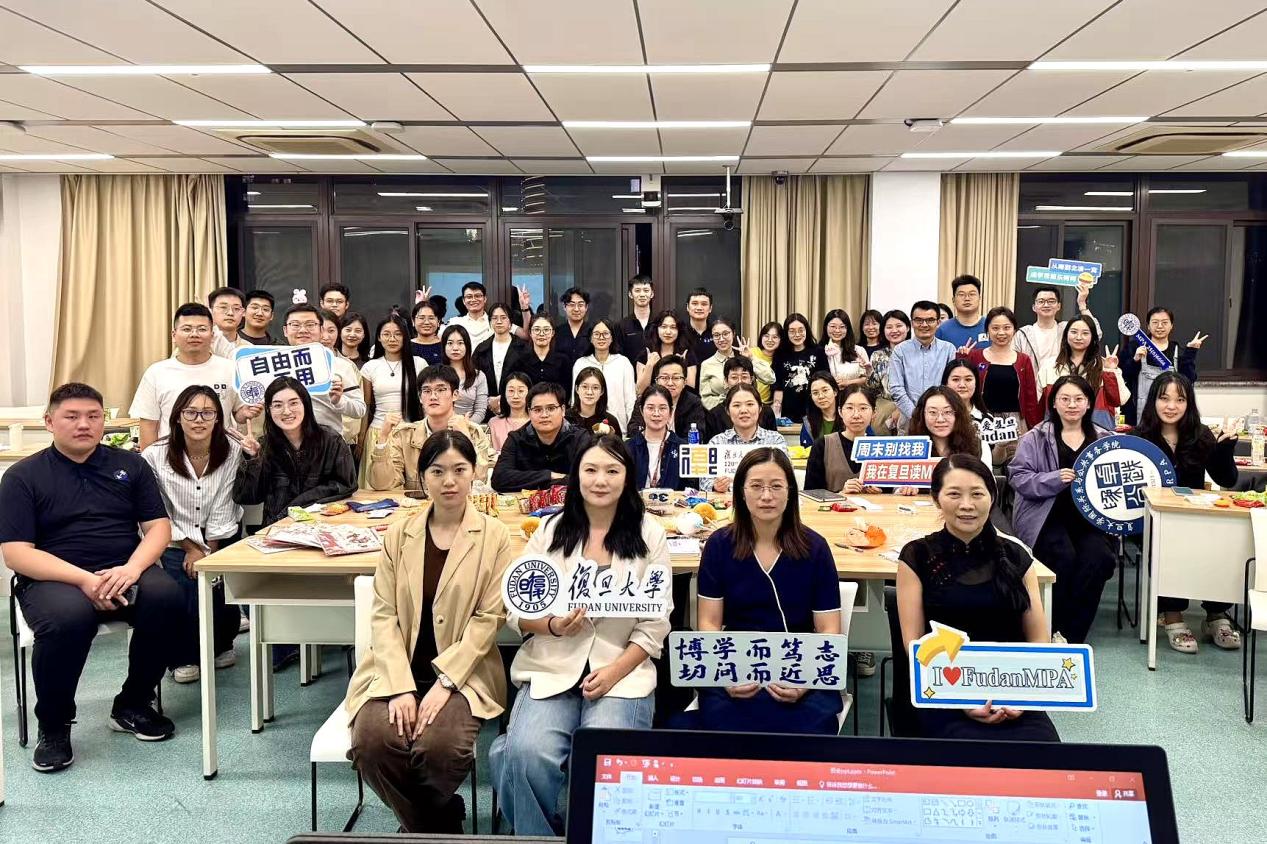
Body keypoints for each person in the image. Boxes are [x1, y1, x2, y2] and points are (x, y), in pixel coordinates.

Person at [491, 435, 672, 836]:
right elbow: (516, 608)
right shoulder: (550, 530)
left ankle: (596, 836)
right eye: (590, 470)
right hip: (553, 665)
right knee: (523, 754)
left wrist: (615, 671)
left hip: (621, 672)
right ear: (576, 475)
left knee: (607, 758)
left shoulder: (650, 534)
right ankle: (541, 839)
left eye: (612, 471)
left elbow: (655, 624)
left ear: (628, 477)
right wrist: (551, 624)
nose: (600, 480)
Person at [0, 383, 183, 770]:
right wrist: (85, 580)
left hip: (122, 569)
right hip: (54, 578)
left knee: (167, 596)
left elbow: (158, 528)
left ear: (103, 421)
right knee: (69, 618)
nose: (84, 424)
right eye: (72, 416)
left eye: (93, 416)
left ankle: (133, 703)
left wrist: (131, 569)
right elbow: (16, 553)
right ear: (49, 422)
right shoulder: (22, 476)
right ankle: (54, 726)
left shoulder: (131, 465)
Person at [346, 429, 513, 834]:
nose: (449, 481)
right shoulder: (399, 534)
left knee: (440, 749)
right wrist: (400, 686)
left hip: (464, 673)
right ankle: (439, 823)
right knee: (372, 744)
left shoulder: (495, 536)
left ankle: (418, 829)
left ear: (475, 473)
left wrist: (445, 682)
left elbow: (488, 618)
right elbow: (384, 614)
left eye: (459, 470)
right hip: (396, 667)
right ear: (422, 477)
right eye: (437, 471)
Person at [897, 454, 1059, 742]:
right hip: (942, 690)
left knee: (1045, 753)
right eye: (954, 494)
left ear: (992, 497)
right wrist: (962, 698)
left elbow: (1038, 639)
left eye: (977, 494)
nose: (967, 505)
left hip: (1013, 690)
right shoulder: (917, 556)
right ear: (936, 499)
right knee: (962, 753)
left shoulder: (1017, 556)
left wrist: (1019, 697)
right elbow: (914, 644)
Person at [687, 447, 843, 734]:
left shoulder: (815, 547)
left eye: (776, 486)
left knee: (808, 733)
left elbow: (828, 629)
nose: (766, 496)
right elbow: (708, 622)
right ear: (741, 492)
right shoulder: (719, 545)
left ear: (790, 492)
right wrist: (727, 673)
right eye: (756, 486)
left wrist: (805, 680)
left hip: (799, 666)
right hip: (736, 666)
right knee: (725, 729)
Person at [140, 386, 243, 684]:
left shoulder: (232, 450)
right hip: (173, 537)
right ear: (177, 417)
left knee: (221, 586)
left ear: (218, 418)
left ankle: (222, 643)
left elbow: (225, 501)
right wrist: (190, 547)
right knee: (182, 590)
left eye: (208, 413)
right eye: (191, 413)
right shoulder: (154, 455)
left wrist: (209, 551)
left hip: (219, 534)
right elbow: (157, 509)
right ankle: (182, 655)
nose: (199, 420)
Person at [1133, 372, 1240, 653]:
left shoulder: (1201, 434)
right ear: (1153, 401)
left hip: (1195, 519)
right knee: (1165, 544)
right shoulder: (1139, 437)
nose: (1171, 406)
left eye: (1179, 400)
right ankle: (1173, 616)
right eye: (1164, 398)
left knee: (1223, 543)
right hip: (1152, 521)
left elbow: (1226, 479)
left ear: (1188, 403)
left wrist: (1225, 449)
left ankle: (1216, 614)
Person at [1008, 375, 1115, 643]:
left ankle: (1070, 635)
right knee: (1062, 557)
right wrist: (1052, 479)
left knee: (1099, 558)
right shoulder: (1035, 437)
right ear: (1053, 403)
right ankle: (1049, 628)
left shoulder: (1105, 439)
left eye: (1079, 399)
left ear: (1089, 403)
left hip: (1090, 520)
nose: (1072, 405)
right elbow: (1018, 477)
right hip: (1045, 516)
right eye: (1064, 399)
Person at [232, 378, 357, 527]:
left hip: (322, 527)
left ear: (306, 404)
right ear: (268, 410)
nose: (286, 411)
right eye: (277, 405)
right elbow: (246, 498)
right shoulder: (264, 445)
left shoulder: (331, 440)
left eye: (294, 403)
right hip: (277, 529)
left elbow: (347, 485)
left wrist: (298, 503)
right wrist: (253, 459)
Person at [131, 302, 255, 450]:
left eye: (202, 329)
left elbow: (238, 414)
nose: (194, 334)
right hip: (170, 458)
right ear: (174, 335)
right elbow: (149, 425)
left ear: (212, 335)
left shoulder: (231, 369)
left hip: (222, 456)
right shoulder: (156, 372)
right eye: (187, 329)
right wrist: (150, 462)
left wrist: (245, 413)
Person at [367, 365, 494, 493]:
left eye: (441, 390)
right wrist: (383, 438)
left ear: (455, 395)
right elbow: (382, 484)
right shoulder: (405, 435)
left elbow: (479, 480)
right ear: (420, 397)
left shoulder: (473, 432)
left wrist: (465, 439)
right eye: (427, 391)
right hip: (418, 504)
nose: (433, 396)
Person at [965, 307, 1043, 465]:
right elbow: (963, 387)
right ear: (987, 330)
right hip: (982, 420)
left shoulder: (1023, 360)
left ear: (1014, 330)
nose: (1001, 333)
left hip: (1014, 423)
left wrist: (1035, 429)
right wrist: (961, 357)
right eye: (995, 328)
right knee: (980, 463)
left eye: (1007, 327)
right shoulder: (975, 356)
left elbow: (1030, 398)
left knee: (1015, 466)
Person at [282, 303, 367, 436]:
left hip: (327, 442)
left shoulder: (341, 365)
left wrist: (339, 401)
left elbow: (359, 409)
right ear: (285, 330)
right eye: (295, 325)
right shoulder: (271, 365)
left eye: (310, 325)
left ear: (321, 330)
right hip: (282, 442)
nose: (303, 330)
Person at [490, 382, 592, 493]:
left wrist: (533, 482)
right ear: (529, 412)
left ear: (563, 410)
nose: (544, 415)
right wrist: (549, 475)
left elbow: (587, 478)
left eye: (551, 408)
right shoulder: (516, 439)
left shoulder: (580, 438)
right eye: (537, 410)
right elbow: (499, 479)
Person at [360, 314, 425, 483]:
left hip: (411, 433)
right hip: (379, 432)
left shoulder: (419, 364)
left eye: (398, 334)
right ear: (379, 338)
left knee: (413, 486)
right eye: (386, 334)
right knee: (379, 485)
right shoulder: (370, 367)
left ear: (405, 337)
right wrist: (361, 440)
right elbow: (366, 406)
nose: (392, 339)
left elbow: (425, 403)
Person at [1119, 306, 1205, 426]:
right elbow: (1122, 377)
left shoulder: (1177, 350)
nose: (1160, 326)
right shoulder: (1134, 347)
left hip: (1170, 413)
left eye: (1164, 322)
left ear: (1171, 326)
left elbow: (1189, 380)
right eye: (1155, 322)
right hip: (1137, 415)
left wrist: (1190, 352)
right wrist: (1135, 360)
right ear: (1148, 326)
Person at [1038, 316, 1126, 430]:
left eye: (1085, 333)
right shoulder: (1049, 366)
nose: (1079, 337)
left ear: (1093, 337)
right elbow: (1037, 405)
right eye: (1074, 332)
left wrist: (1110, 371)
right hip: (1057, 432)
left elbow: (1119, 400)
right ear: (1066, 335)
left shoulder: (1105, 366)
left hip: (1098, 433)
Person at [703, 384, 788, 494]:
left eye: (750, 404)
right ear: (727, 411)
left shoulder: (775, 441)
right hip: (727, 501)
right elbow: (704, 482)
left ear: (760, 408)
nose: (743, 410)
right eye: (736, 405)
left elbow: (787, 478)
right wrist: (715, 486)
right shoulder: (716, 442)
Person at [888, 301, 956, 429]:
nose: (924, 325)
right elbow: (896, 389)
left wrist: (935, 414)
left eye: (930, 320)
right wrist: (916, 415)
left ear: (938, 322)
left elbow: (951, 387)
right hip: (909, 421)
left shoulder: (948, 350)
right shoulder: (900, 351)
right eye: (919, 320)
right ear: (912, 323)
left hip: (941, 421)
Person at [804, 384, 881, 496]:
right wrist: (841, 493)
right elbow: (810, 494)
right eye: (849, 408)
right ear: (840, 412)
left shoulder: (883, 447)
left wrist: (882, 492)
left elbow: (892, 490)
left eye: (863, 408)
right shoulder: (823, 445)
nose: (856, 415)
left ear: (874, 412)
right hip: (834, 507)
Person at [1012, 283, 1099, 375]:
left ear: (1058, 306)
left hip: (1063, 381)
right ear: (1034, 307)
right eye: (1041, 301)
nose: (1046, 305)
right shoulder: (1022, 334)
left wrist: (1082, 304)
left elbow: (1095, 333)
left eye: (1051, 301)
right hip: (1032, 382)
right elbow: (1013, 361)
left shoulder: (1066, 328)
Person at [907, 387, 992, 478]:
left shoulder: (980, 447)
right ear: (921, 415)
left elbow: (988, 485)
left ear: (958, 414)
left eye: (947, 412)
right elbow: (900, 483)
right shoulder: (908, 449)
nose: (940, 419)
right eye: (933, 412)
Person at [572, 317, 637, 431]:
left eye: (606, 334)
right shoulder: (581, 363)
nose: (601, 338)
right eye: (596, 334)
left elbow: (630, 400)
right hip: (584, 429)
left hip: (618, 428)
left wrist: (631, 429)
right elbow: (575, 398)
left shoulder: (623, 363)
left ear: (612, 338)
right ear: (590, 338)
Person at [698, 317, 774, 411]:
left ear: (733, 333)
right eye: (716, 335)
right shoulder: (707, 364)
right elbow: (705, 399)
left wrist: (751, 358)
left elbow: (770, 378)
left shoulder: (745, 358)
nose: (721, 339)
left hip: (749, 411)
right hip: (720, 413)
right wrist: (730, 404)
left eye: (726, 334)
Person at [626, 355, 706, 440]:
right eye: (664, 378)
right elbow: (633, 432)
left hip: (679, 447)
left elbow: (696, 437)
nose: (670, 383)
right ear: (656, 381)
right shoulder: (645, 400)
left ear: (684, 382)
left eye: (676, 378)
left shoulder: (693, 403)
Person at [703, 356, 778, 442]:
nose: (739, 382)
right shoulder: (715, 414)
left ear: (751, 379)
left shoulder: (766, 411)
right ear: (726, 381)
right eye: (734, 377)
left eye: (744, 377)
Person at [627, 386, 687, 491]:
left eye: (662, 408)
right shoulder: (628, 448)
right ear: (641, 410)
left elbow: (691, 488)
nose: (656, 413)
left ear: (671, 412)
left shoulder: (683, 448)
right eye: (650, 408)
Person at [475, 302, 527, 418]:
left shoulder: (523, 348)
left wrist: (502, 398)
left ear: (510, 322)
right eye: (494, 318)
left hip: (516, 407)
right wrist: (489, 400)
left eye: (503, 318)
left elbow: (527, 379)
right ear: (490, 322)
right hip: (486, 408)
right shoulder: (482, 349)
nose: (499, 321)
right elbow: (475, 379)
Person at [772, 313, 824, 424]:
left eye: (801, 330)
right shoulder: (780, 354)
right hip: (788, 411)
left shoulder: (818, 351)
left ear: (807, 330)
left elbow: (825, 381)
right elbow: (778, 386)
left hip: (814, 410)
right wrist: (777, 414)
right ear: (786, 333)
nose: (797, 335)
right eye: (792, 331)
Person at [865, 309, 911, 433]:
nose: (894, 330)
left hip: (910, 401)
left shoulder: (916, 353)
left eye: (899, 326)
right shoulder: (878, 355)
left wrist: (900, 409)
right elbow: (873, 388)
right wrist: (869, 373)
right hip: (884, 403)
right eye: (889, 327)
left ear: (907, 328)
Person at [635, 310, 698, 396]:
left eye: (673, 327)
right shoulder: (646, 353)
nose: (668, 332)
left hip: (680, 402)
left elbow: (691, 389)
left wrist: (682, 365)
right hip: (653, 400)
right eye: (663, 327)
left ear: (679, 330)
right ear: (657, 329)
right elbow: (640, 391)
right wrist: (649, 365)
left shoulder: (687, 354)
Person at [441, 324, 489, 423]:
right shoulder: (436, 374)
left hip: (468, 426)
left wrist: (465, 426)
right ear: (444, 346)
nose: (455, 348)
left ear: (467, 346)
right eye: (450, 343)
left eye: (460, 343)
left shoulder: (479, 376)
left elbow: (480, 411)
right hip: (440, 426)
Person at [522, 314, 574, 402]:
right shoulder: (521, 361)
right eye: (537, 330)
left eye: (546, 330)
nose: (541, 334)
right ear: (530, 333)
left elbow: (566, 391)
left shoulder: (563, 361)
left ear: (552, 333)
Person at [935, 275, 988, 349]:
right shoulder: (942, 330)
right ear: (953, 300)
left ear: (979, 299)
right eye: (961, 294)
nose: (967, 298)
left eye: (972, 294)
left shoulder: (990, 326)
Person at [821, 309, 869, 390]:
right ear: (826, 327)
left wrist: (847, 383)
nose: (837, 330)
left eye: (842, 327)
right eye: (833, 326)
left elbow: (866, 379)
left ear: (847, 329)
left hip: (853, 394)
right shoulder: (819, 351)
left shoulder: (859, 350)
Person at [568, 366, 623, 437]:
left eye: (595, 388)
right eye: (585, 387)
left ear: (602, 391)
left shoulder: (611, 421)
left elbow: (618, 444)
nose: (589, 392)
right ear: (577, 389)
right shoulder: (565, 418)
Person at [489, 371, 532, 452]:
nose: (515, 396)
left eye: (521, 391)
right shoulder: (494, 422)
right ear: (504, 393)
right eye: (511, 391)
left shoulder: (536, 421)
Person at [619, 273, 655, 364]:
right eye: (637, 290)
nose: (642, 294)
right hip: (630, 372)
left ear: (652, 294)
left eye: (646, 290)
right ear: (630, 294)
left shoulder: (659, 323)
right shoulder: (621, 325)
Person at [554, 286, 594, 368]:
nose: (576, 309)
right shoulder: (556, 332)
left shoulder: (593, 331)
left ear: (586, 307)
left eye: (580, 305)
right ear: (564, 306)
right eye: (572, 305)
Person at [801, 371, 842, 447]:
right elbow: (806, 450)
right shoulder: (808, 422)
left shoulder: (848, 417)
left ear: (835, 391)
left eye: (825, 390)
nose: (821, 396)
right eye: (815, 393)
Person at [447, 281, 493, 348]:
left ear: (485, 299)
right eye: (469, 297)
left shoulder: (494, 322)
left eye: (477, 296)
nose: (473, 300)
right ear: (463, 301)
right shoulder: (455, 322)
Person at [207, 286, 249, 358]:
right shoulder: (200, 343)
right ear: (210, 311)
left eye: (236, 308)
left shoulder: (248, 349)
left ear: (243, 313)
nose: (230, 313)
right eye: (223, 307)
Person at [682, 287, 716, 365]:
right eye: (694, 303)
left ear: (710, 308)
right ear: (687, 307)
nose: (699, 308)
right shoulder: (680, 332)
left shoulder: (716, 333)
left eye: (704, 304)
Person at [751, 321, 782, 405]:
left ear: (781, 340)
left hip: (767, 405)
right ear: (761, 337)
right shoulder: (751, 353)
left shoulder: (781, 359)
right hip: (749, 401)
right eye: (766, 336)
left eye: (775, 337)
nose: (770, 340)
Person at [410, 299, 445, 366]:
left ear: (438, 321)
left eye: (431, 318)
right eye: (421, 318)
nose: (426, 322)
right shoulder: (406, 346)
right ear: (413, 321)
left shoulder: (445, 346)